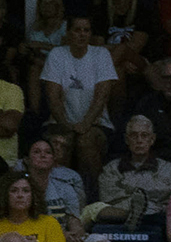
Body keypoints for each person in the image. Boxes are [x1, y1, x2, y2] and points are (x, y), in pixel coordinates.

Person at [40, 17, 117, 183]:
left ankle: (92, 198)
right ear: (68, 33)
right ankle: (58, 193)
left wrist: (85, 124)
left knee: (85, 141)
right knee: (61, 141)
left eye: (86, 30)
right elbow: (53, 97)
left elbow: (102, 96)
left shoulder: (101, 54)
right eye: (77, 30)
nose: (82, 34)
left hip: (97, 124)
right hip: (60, 122)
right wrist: (66, 125)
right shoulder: (57, 55)